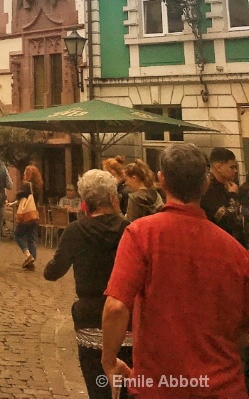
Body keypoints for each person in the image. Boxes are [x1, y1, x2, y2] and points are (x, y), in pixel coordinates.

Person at [102, 142, 249, 399]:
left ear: (161, 180)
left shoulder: (141, 234)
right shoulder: (237, 252)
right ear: (204, 184)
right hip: (224, 387)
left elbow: (116, 307)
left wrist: (109, 360)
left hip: (160, 387)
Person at [44, 170, 132, 399]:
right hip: (127, 319)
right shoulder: (130, 230)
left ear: (85, 201)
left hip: (90, 320)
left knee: (98, 387)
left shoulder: (75, 231)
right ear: (113, 198)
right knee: (130, 389)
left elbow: (53, 272)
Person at [201, 146, 247, 246]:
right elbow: (225, 220)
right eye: (232, 167)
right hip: (216, 243)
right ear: (218, 167)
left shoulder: (227, 185)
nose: (235, 171)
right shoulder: (207, 188)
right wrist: (233, 196)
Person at [11, 179, 39, 271]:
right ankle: (31, 262)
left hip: (25, 219)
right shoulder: (34, 194)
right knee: (32, 239)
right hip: (34, 217)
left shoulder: (23, 197)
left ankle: (28, 255)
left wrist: (11, 203)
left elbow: (19, 201)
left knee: (17, 235)